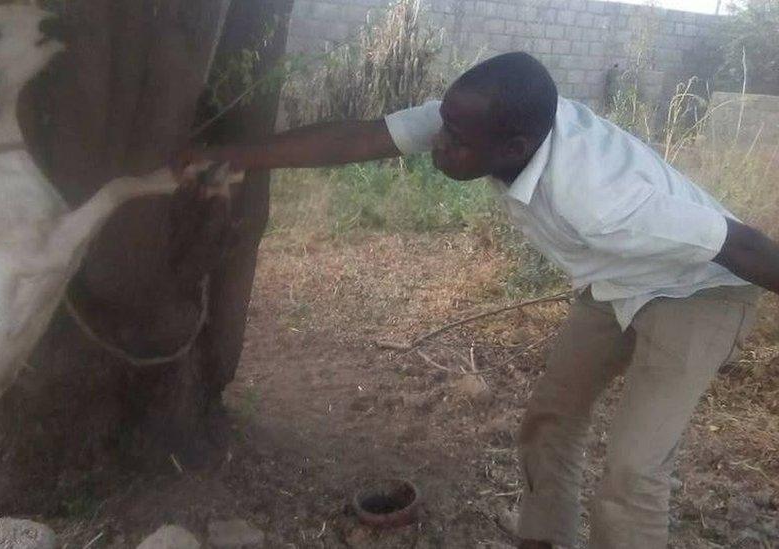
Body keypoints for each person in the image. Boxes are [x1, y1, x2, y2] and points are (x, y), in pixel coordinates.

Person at [178, 51, 779, 548]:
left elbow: (742, 245)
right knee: (549, 423)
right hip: (616, 283)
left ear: (514, 147)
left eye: (455, 139)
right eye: (443, 126)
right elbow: (360, 138)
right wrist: (234, 156)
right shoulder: (482, 120)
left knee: (632, 472)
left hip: (700, 291)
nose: (438, 143)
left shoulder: (601, 197)